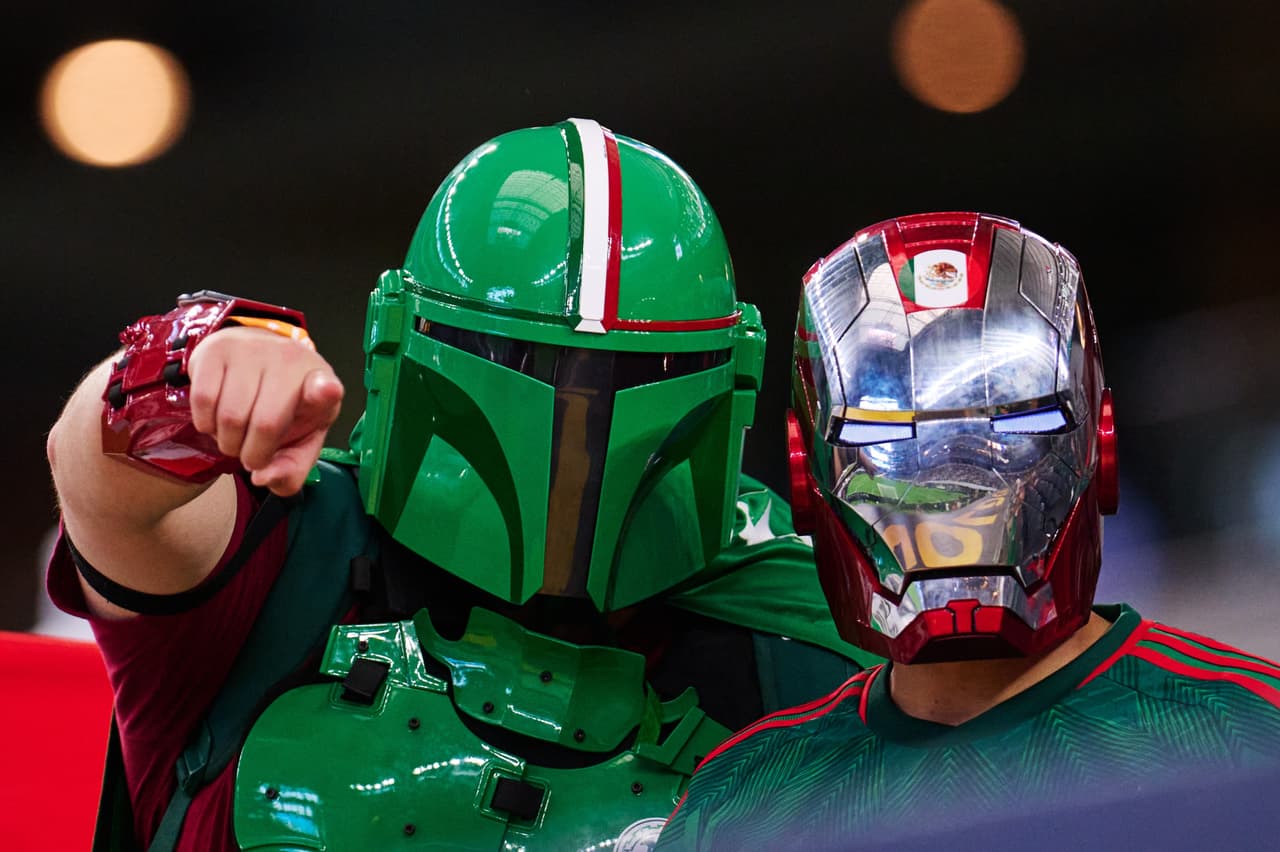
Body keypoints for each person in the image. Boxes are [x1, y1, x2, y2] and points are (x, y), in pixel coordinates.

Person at [45, 118, 879, 852]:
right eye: (520, 364)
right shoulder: (283, 556)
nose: (578, 432)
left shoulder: (794, 629)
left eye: (643, 375)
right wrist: (182, 375)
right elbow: (100, 487)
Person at [656, 212, 1280, 851]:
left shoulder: (1253, 739)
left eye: (1011, 424)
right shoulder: (740, 803)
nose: (949, 485)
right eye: (887, 435)